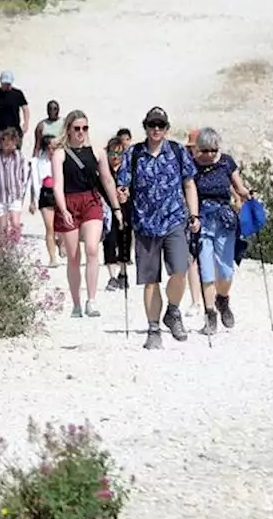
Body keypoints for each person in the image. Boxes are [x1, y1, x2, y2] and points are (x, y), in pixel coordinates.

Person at [116, 107, 200, 350]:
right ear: (145, 127)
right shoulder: (134, 154)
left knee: (180, 270)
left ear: (167, 128)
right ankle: (153, 329)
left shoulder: (177, 152)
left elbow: (189, 184)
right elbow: (123, 184)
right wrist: (122, 194)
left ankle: (172, 311)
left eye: (160, 125)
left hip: (174, 220)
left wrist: (194, 214)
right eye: (152, 124)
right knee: (151, 280)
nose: (156, 129)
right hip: (145, 225)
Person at [52, 110, 122, 318]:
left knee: (92, 249)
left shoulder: (97, 152)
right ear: (69, 129)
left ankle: (91, 300)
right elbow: (57, 185)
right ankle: (76, 302)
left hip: (91, 201)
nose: (81, 132)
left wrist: (117, 208)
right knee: (73, 257)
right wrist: (63, 209)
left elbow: (108, 180)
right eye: (77, 128)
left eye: (84, 128)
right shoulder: (60, 153)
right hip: (70, 201)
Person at [191, 127, 254, 335]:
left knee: (226, 270)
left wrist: (247, 195)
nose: (208, 155)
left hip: (224, 221)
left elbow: (239, 187)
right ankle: (210, 315)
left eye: (212, 150)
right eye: (204, 150)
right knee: (206, 269)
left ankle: (222, 300)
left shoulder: (226, 162)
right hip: (203, 221)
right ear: (198, 149)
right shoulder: (192, 166)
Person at [0, 127, 31, 235]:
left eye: (13, 142)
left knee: (15, 223)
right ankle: (5, 249)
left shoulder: (19, 156)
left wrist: (22, 192)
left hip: (15, 195)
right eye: (7, 141)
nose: (10, 145)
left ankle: (15, 246)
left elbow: (24, 176)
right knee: (2, 226)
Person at [103, 137, 132, 291]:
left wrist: (127, 192)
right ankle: (112, 276)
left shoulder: (128, 169)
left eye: (119, 153)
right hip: (108, 210)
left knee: (125, 240)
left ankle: (123, 272)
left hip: (126, 209)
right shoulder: (103, 169)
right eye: (112, 152)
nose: (115, 156)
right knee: (109, 241)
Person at [31, 131, 61, 266]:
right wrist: (32, 200)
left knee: (61, 226)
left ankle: (61, 244)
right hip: (46, 193)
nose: (54, 149)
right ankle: (52, 257)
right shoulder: (38, 162)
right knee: (50, 227)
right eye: (52, 147)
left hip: (60, 192)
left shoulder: (62, 160)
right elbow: (34, 181)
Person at [183, 127, 204, 316]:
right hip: (191, 214)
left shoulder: (211, 164)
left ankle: (209, 299)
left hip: (209, 213)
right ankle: (195, 301)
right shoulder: (186, 164)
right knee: (192, 259)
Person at [0, 70, 29, 151]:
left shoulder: (18, 94)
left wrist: (26, 123)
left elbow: (25, 108)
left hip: (15, 129)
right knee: (1, 153)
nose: (6, 86)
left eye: (8, 84)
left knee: (15, 153)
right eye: (4, 84)